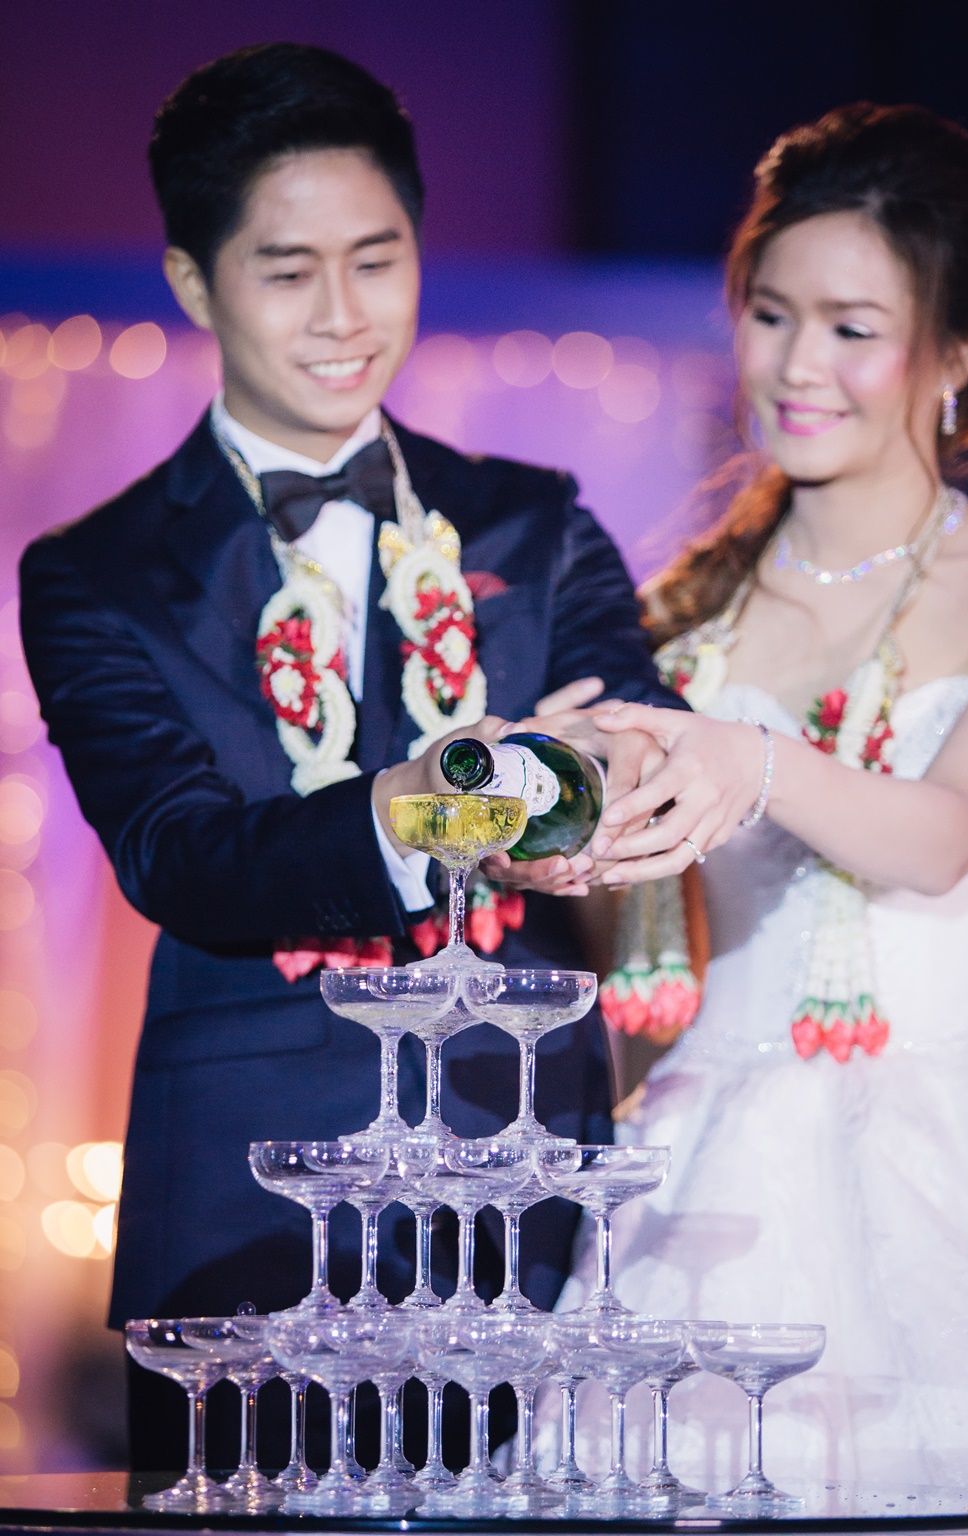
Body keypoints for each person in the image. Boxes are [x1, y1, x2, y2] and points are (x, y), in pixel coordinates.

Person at [17, 41, 677, 1471]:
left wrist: (588, 784)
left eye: (377, 261)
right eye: (286, 270)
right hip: (245, 1200)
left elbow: (629, 739)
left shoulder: (533, 521)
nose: (342, 316)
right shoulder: (94, 573)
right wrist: (428, 808)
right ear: (195, 281)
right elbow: (181, 853)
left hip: (519, 1158)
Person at [553, 102, 968, 1494]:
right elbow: (634, 968)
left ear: (961, 351)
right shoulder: (674, 617)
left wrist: (747, 759)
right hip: (708, 1166)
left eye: (851, 329)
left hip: (965, 1160)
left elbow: (945, 838)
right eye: (770, 315)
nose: (797, 366)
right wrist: (565, 835)